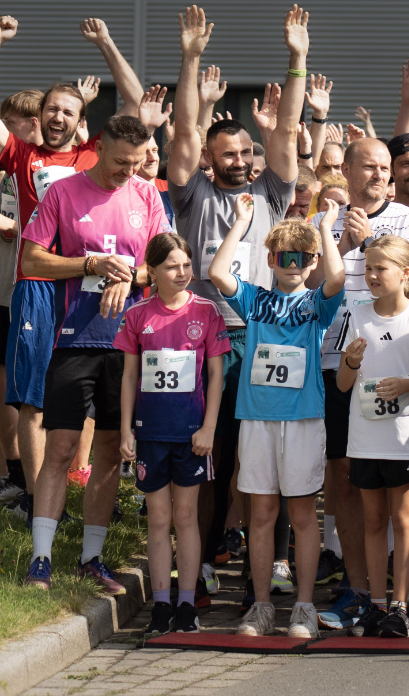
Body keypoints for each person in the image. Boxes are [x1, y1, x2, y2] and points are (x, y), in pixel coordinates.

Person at [167, 4, 307, 597]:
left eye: (246, 153)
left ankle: (263, 574)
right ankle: (196, 571)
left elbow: (286, 135)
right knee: (210, 458)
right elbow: (180, 135)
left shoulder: (273, 190)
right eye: (230, 154)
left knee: (265, 463)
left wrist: (298, 59)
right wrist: (190, 58)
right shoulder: (192, 190)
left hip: (266, 337)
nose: (242, 162)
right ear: (209, 160)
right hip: (206, 338)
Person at [1, 15, 146, 531]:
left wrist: (108, 42)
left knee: (84, 412)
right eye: (51, 109)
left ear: (84, 122)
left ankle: (69, 499)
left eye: (69, 110)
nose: (58, 117)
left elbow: (136, 107)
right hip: (40, 286)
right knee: (29, 401)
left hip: (94, 297)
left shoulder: (94, 157)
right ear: (39, 116)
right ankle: (45, 508)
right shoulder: (21, 152)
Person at [19, 116, 171, 593]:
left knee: (109, 452)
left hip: (126, 344)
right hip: (72, 339)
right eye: (122, 161)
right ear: (101, 148)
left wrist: (132, 276)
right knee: (61, 449)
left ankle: (91, 558)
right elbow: (30, 259)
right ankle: (40, 559)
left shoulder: (146, 195)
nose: (129, 170)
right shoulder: (63, 192)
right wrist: (88, 263)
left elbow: (165, 264)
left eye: (139, 162)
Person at [213, 193, 344, 638]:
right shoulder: (255, 300)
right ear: (270, 259)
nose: (294, 263)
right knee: (262, 512)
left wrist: (325, 230)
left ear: (312, 262)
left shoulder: (315, 304)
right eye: (285, 256)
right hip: (257, 417)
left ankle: (304, 606)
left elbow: (338, 276)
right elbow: (216, 273)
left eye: (303, 258)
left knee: (304, 513)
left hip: (304, 417)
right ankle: (262, 604)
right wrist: (242, 223)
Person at [312, 133, 409, 630]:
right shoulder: (328, 216)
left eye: (386, 167)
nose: (381, 175)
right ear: (349, 172)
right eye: (371, 167)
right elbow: (313, 285)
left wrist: (367, 251)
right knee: (344, 477)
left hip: (400, 361)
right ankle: (359, 589)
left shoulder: (408, 218)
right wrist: (341, 242)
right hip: (341, 360)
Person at [115, 233, 229, 635]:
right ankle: (160, 604)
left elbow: (215, 376)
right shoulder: (138, 314)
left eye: (186, 264)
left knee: (186, 517)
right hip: (151, 433)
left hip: (191, 434)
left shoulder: (207, 311)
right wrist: (126, 429)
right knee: (158, 519)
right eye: (171, 267)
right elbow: (130, 375)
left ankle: (187, 603)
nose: (182, 273)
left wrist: (209, 427)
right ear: (153, 271)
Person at [334, 236, 409, 639]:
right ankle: (376, 604)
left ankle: (400, 605)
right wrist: (351, 360)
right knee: (373, 520)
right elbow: (343, 385)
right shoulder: (356, 314)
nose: (372, 276)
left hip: (404, 437)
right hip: (364, 437)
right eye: (368, 268)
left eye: (381, 269)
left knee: (403, 520)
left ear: (405, 273)